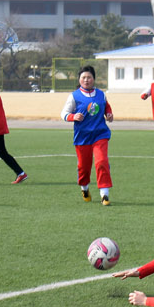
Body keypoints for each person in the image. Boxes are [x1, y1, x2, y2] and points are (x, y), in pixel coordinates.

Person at [60, 65, 114, 205]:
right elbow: (64, 114)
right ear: (79, 79)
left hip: (100, 134)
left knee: (101, 161)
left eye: (89, 77)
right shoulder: (74, 96)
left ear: (94, 79)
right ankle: (84, 188)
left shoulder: (101, 94)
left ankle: (104, 194)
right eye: (83, 77)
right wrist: (73, 116)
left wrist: (109, 114)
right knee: (84, 167)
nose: (86, 80)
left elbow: (106, 106)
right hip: (82, 137)